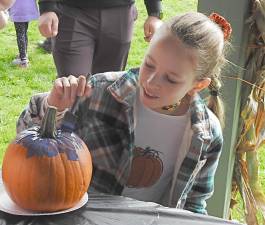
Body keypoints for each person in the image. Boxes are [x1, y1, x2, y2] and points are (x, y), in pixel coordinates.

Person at [17, 12, 232, 214]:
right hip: (87, 217)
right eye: (149, 64)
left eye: (171, 79)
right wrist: (54, 106)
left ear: (198, 85)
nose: (151, 81)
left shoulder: (206, 134)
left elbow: (194, 204)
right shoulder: (100, 92)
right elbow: (27, 141)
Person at [37, 0, 163, 77]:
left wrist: (154, 12)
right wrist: (46, 7)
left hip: (120, 15)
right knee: (73, 87)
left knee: (107, 88)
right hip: (71, 12)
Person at [9, 0, 39, 68]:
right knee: (24, 32)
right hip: (28, 8)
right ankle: (24, 54)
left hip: (19, 9)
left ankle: (23, 61)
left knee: (20, 34)